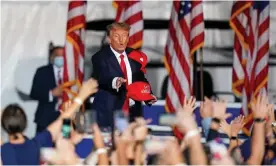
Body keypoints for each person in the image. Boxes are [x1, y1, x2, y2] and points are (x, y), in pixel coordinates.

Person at [91, 22, 157, 128]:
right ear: (109, 39)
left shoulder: (135, 56)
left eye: (124, 36)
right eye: (117, 36)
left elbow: (140, 78)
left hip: (133, 112)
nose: (121, 40)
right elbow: (101, 77)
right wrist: (115, 81)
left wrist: (148, 95)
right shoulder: (100, 57)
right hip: (109, 111)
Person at [30, 46, 65, 134]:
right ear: (52, 57)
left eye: (63, 56)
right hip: (45, 119)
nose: (61, 58)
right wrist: (51, 94)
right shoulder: (42, 71)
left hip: (65, 118)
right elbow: (34, 93)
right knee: (42, 146)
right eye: (58, 56)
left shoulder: (71, 73)